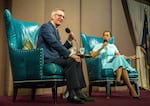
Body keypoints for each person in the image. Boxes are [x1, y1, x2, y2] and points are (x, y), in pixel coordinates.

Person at [37, 8, 95, 104]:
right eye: (59, 15)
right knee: (72, 60)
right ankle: (71, 95)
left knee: (77, 59)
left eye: (63, 17)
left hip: (56, 57)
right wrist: (70, 54)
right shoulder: (46, 27)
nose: (61, 18)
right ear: (52, 16)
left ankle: (79, 92)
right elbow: (54, 43)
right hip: (48, 58)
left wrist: (69, 41)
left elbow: (59, 48)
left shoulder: (56, 30)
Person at [90, 31, 139, 99]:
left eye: (107, 35)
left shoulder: (113, 46)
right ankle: (130, 88)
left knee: (119, 59)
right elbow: (92, 56)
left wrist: (130, 57)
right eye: (104, 35)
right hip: (105, 64)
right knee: (122, 65)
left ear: (110, 38)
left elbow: (120, 56)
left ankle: (118, 80)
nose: (106, 37)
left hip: (114, 63)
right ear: (102, 37)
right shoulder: (98, 45)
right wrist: (102, 47)